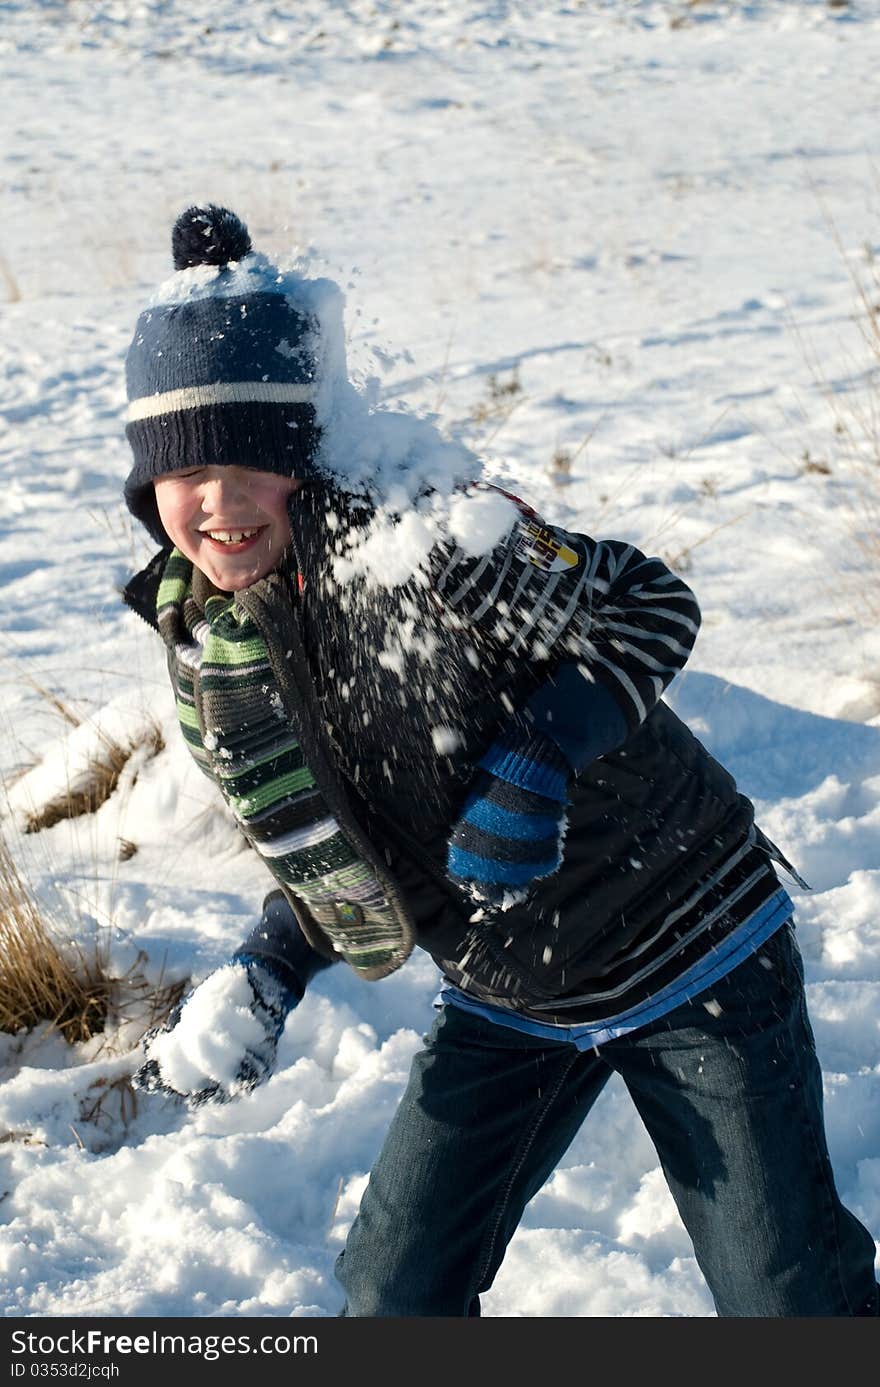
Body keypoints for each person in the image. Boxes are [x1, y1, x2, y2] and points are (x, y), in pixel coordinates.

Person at [122, 204, 878, 1318]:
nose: (219, 505)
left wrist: (542, 751)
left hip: (691, 945)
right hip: (510, 992)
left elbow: (651, 604)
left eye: (251, 465)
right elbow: (342, 827)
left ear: (304, 458)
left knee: (786, 1297)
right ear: (149, 491)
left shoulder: (428, 539)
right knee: (394, 1295)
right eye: (186, 477)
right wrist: (271, 964)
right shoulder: (212, 641)